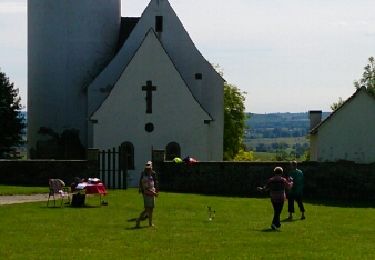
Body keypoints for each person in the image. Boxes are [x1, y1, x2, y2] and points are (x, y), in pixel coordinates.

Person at [136, 161, 158, 228]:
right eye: (150, 169)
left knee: (151, 209)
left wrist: (154, 192)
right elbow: (146, 189)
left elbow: (152, 185)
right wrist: (154, 193)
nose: (151, 170)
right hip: (148, 195)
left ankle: (150, 224)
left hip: (152, 194)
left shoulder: (150, 176)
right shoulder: (145, 178)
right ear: (148, 170)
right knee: (147, 209)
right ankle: (138, 220)